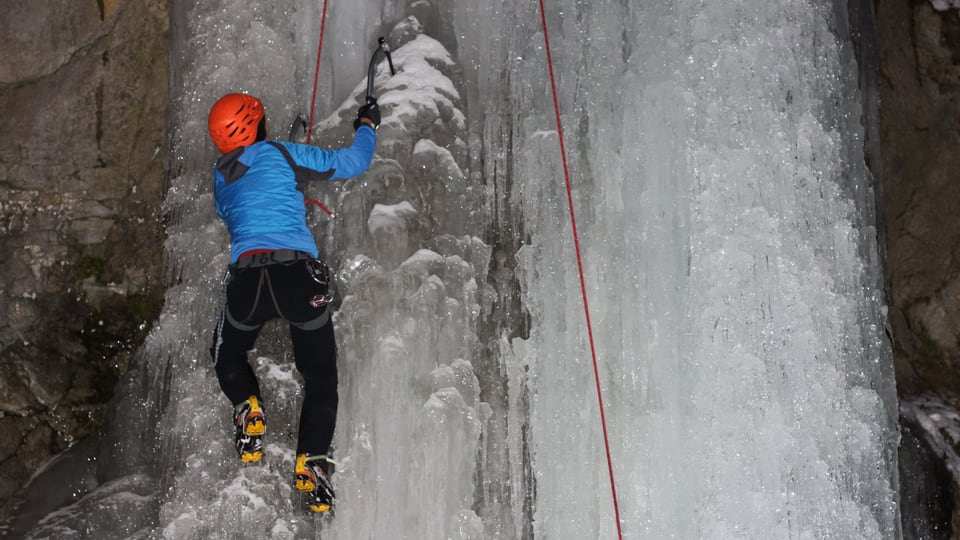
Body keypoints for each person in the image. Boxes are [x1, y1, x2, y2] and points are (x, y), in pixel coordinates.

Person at [207, 92, 378, 513]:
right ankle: (312, 463)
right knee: (320, 377)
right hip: (297, 278)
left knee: (226, 352)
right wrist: (367, 125)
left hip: (248, 283)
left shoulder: (219, 177)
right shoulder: (284, 152)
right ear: (256, 121)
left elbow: (252, 193)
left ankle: (247, 405)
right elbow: (353, 163)